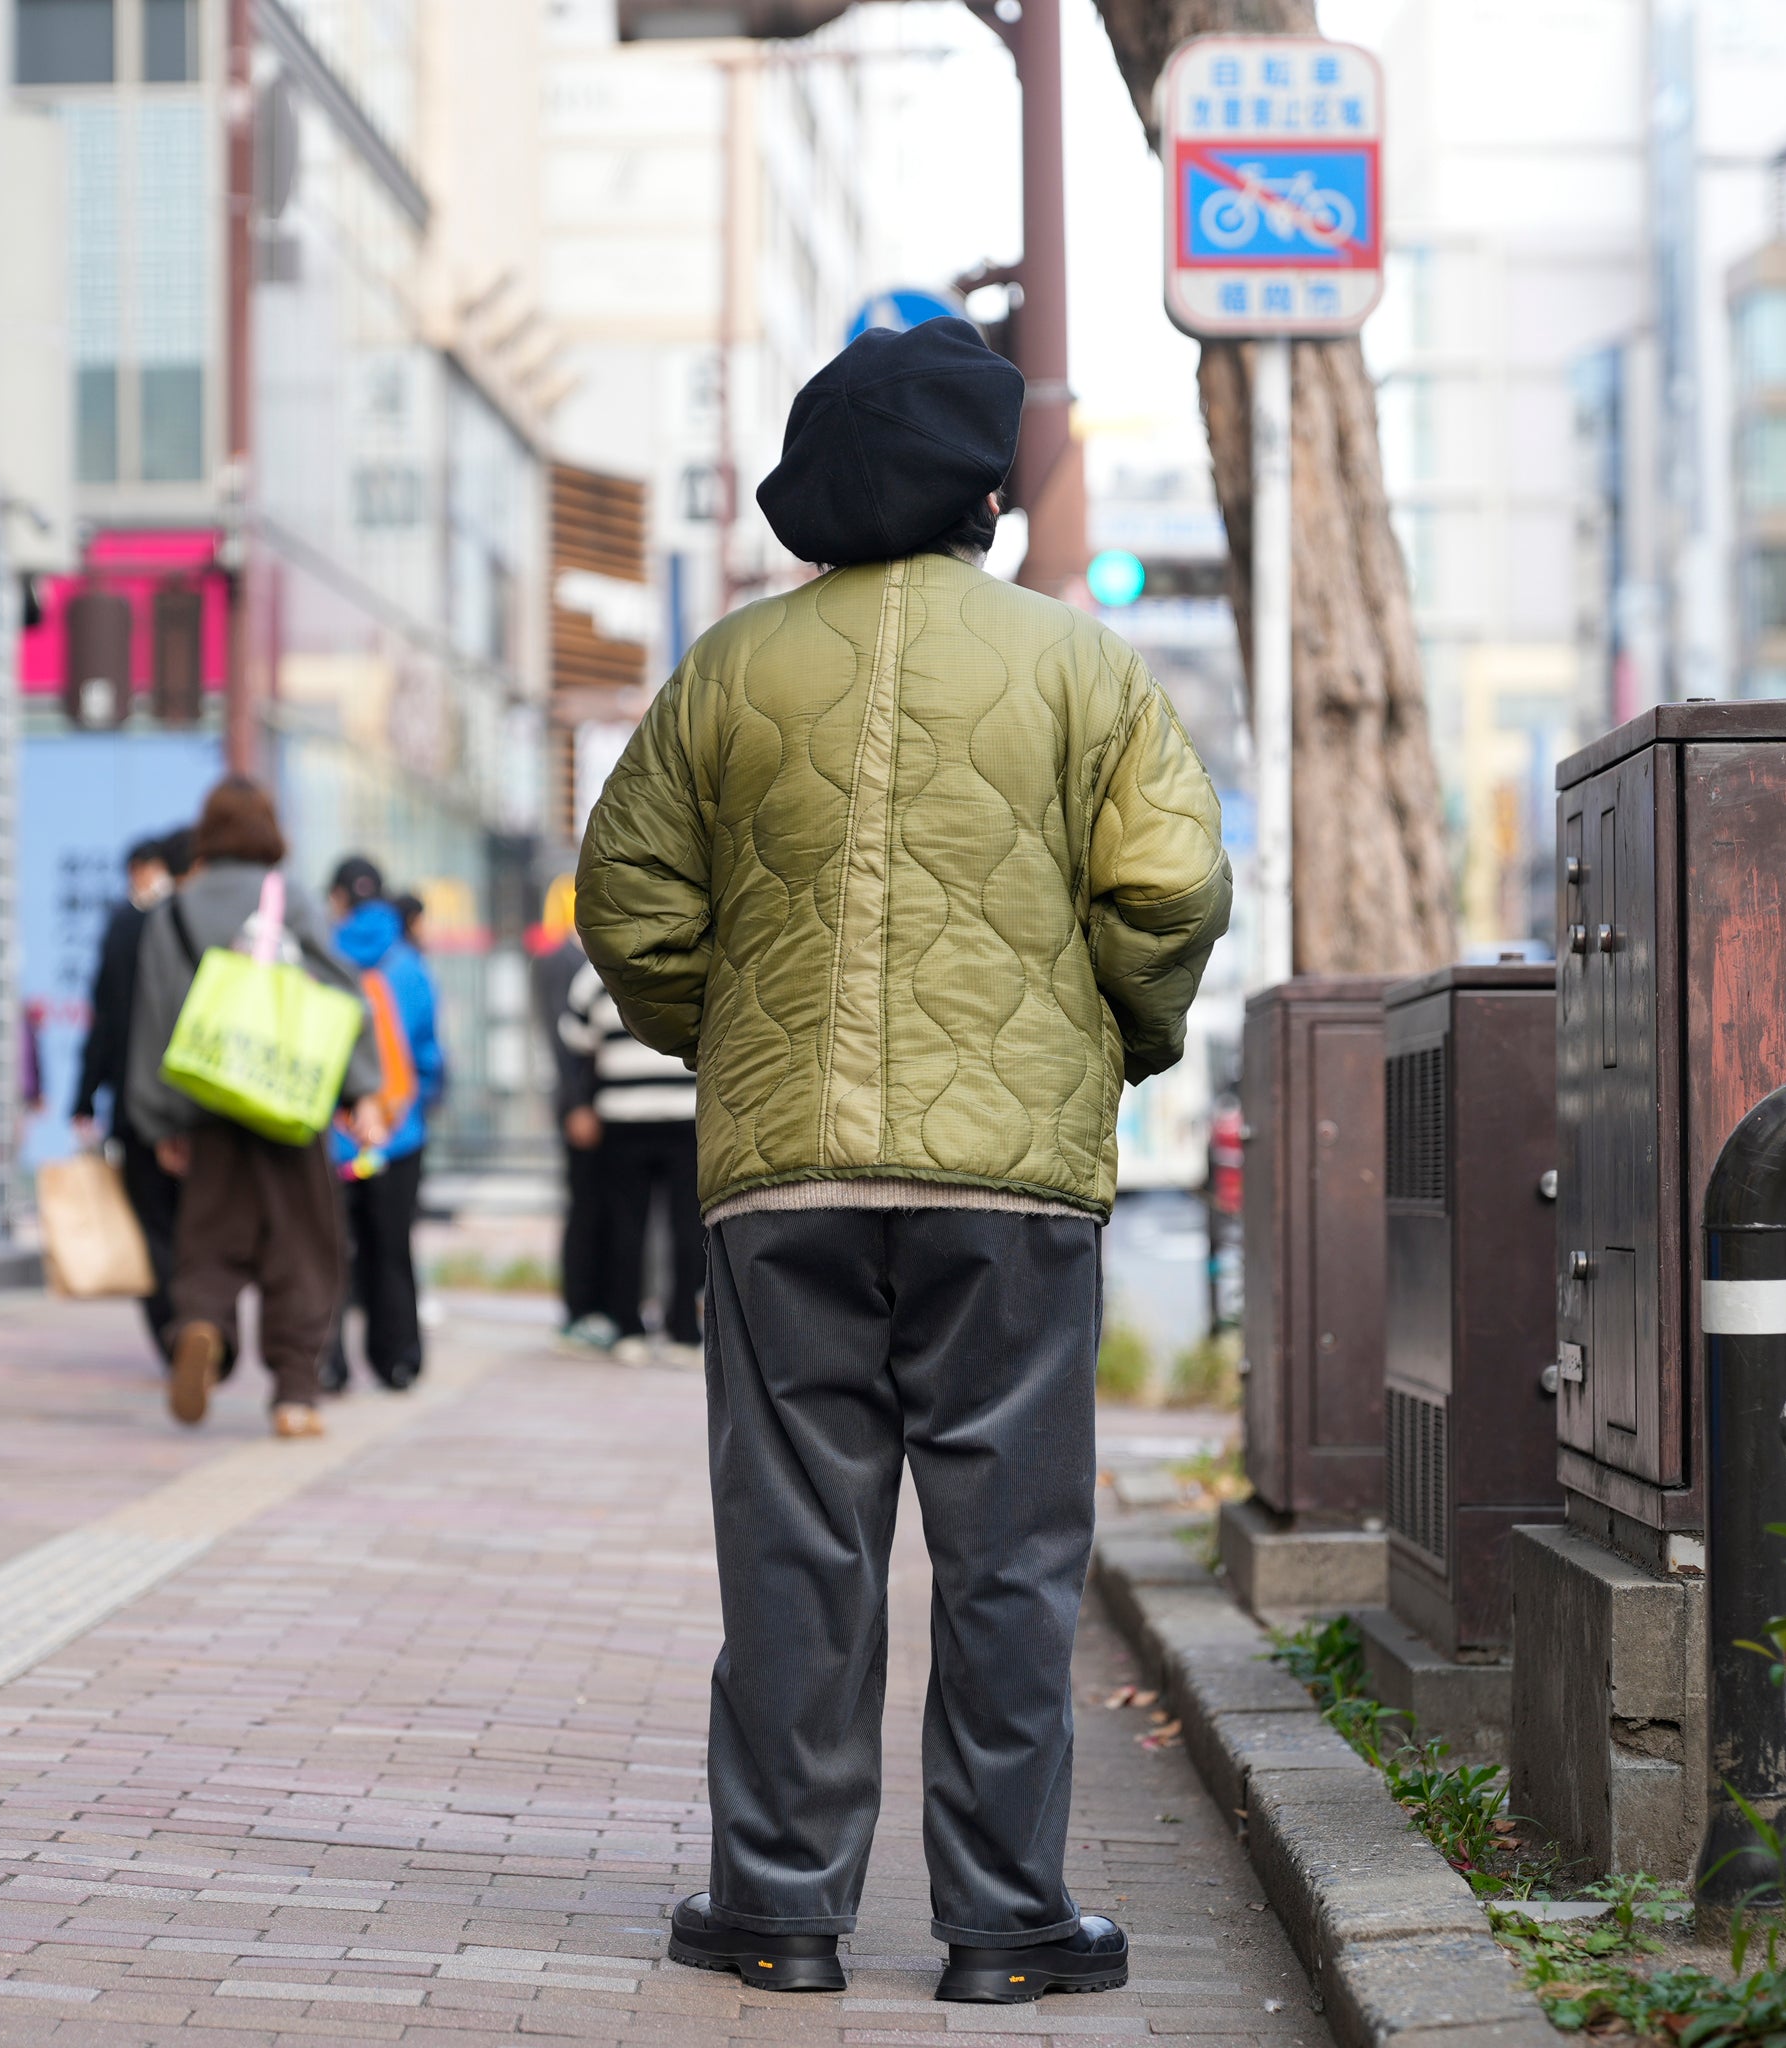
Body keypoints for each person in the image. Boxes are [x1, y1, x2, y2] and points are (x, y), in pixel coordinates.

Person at [577, 318, 1230, 2004]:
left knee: (797, 1536)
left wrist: (726, 1039)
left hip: (778, 1180)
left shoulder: (727, 668)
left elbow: (629, 898)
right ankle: (1003, 1921)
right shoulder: (1077, 668)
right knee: (1009, 1554)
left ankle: (780, 1906)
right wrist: (1108, 1038)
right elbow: (1162, 889)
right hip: (1011, 1188)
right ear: (978, 492)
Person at [125, 778, 384, 1439]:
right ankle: (295, 1393)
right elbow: (341, 994)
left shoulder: (172, 913)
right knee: (302, 1246)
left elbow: (154, 1019)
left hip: (208, 1107)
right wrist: (361, 1092)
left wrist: (161, 1120)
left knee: (206, 1244)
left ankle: (202, 1328)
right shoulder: (285, 896)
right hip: (288, 1099)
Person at [323, 854, 444, 1392]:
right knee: (392, 1249)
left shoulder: (321, 960)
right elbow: (429, 1058)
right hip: (399, 1133)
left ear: (337, 899)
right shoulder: (410, 966)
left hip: (331, 1137)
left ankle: (329, 1363)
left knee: (329, 1249)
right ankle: (398, 1359)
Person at [73, 829, 193, 1362]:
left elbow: (105, 1020)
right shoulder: (197, 923)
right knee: (198, 1224)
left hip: (135, 1104)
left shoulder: (125, 925)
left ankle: (175, 1334)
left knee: (152, 1227)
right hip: (197, 1104)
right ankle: (203, 1324)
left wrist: (83, 1097)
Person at [558, 948, 703, 1362]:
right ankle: (660, 1330)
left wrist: (581, 1103)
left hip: (655, 1117)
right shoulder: (690, 959)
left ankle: (650, 1329)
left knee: (657, 1228)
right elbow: (576, 1048)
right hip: (651, 1117)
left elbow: (576, 1046)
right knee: (655, 1228)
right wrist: (580, 1105)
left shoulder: (599, 968)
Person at [528, 875, 615, 1352]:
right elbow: (563, 1044)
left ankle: (592, 1307)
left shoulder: (567, 956)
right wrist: (576, 1104)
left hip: (599, 1104)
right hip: (583, 1106)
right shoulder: (563, 959)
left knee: (598, 1207)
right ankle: (581, 1308)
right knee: (586, 1206)